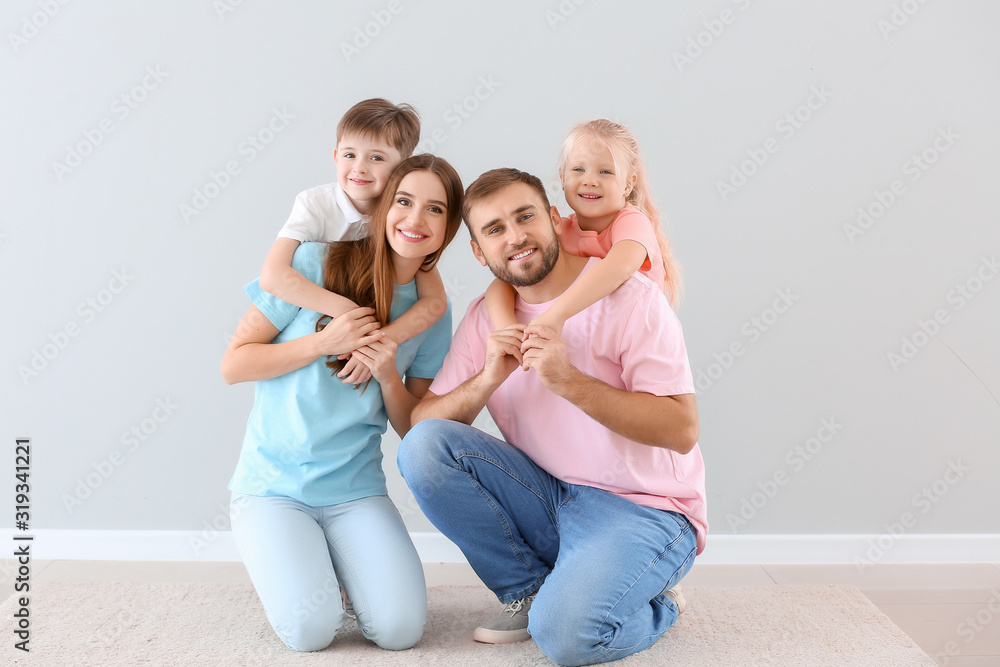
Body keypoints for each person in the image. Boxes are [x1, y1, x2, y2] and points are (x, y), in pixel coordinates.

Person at [397, 168, 707, 666]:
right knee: (425, 447)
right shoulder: (486, 318)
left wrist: (569, 382)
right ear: (480, 252)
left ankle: (657, 604)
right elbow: (419, 425)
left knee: (566, 638)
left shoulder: (631, 298)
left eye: (525, 218)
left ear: (554, 218)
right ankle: (528, 590)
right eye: (495, 229)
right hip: (549, 497)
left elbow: (681, 429)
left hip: (644, 509)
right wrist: (486, 380)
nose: (515, 237)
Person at [221, 155, 463, 653]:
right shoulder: (311, 265)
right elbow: (234, 365)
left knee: (400, 631)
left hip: (356, 492)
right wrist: (321, 343)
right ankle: (307, 566)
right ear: (382, 207)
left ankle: (333, 565)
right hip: (273, 489)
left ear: (448, 228)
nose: (415, 220)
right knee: (311, 631)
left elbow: (412, 426)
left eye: (434, 210)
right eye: (403, 201)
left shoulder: (430, 313)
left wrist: (388, 372)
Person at [259, 98, 448, 385]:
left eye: (376, 158)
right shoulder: (316, 205)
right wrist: (348, 315)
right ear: (335, 157)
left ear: (403, 168)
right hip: (308, 324)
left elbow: (435, 303)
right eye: (350, 155)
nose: (359, 168)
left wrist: (377, 339)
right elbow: (273, 276)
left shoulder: (399, 218)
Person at [485, 119, 680, 335]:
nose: (590, 180)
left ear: (628, 184)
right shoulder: (560, 230)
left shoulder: (632, 222)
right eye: (578, 169)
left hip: (637, 337)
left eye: (605, 172)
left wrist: (555, 315)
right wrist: (508, 329)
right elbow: (504, 282)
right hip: (591, 339)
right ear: (562, 177)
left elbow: (618, 267)